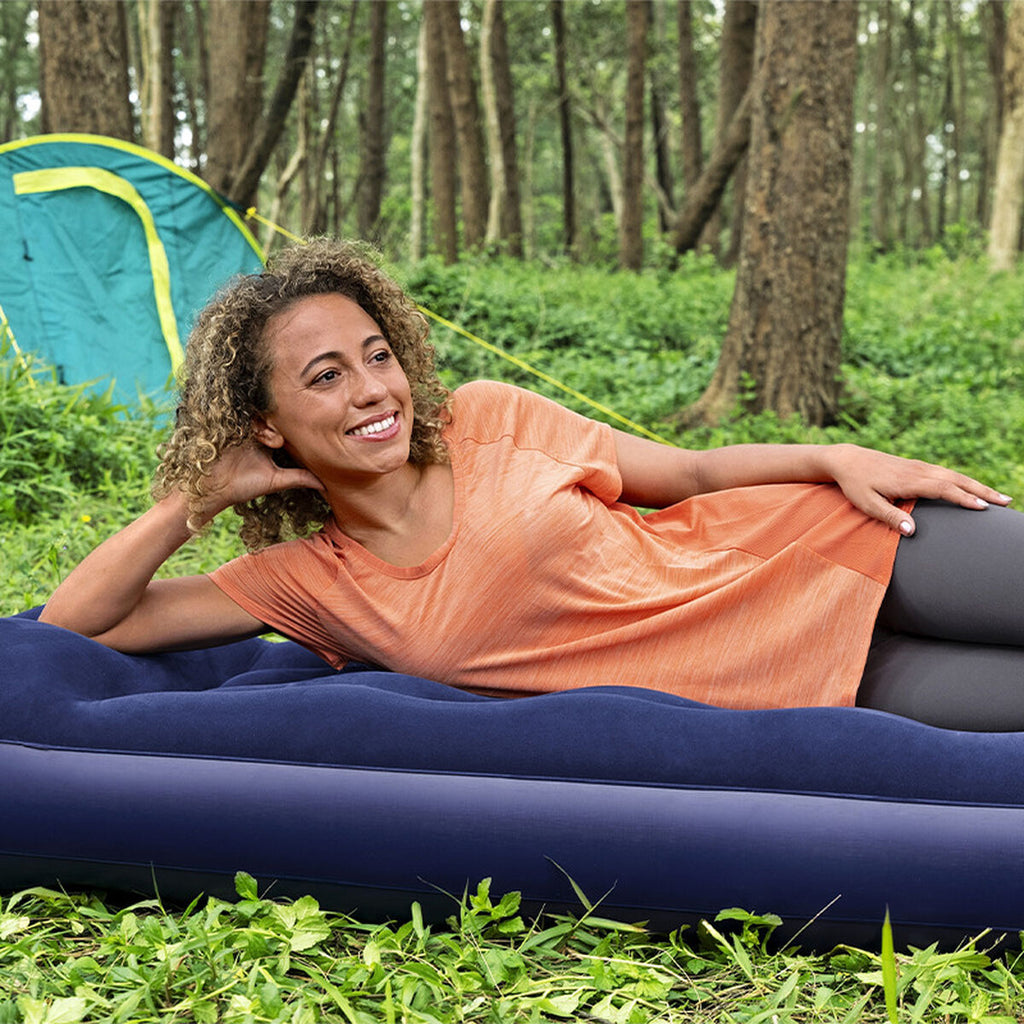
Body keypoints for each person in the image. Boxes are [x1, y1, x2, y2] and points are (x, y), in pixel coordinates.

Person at [39, 239, 1024, 731]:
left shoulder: (486, 416)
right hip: (811, 682)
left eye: (376, 355)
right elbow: (75, 625)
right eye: (325, 376)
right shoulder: (312, 582)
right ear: (267, 422)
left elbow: (686, 472)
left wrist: (835, 458)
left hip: (834, 542)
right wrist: (197, 498)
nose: (372, 390)